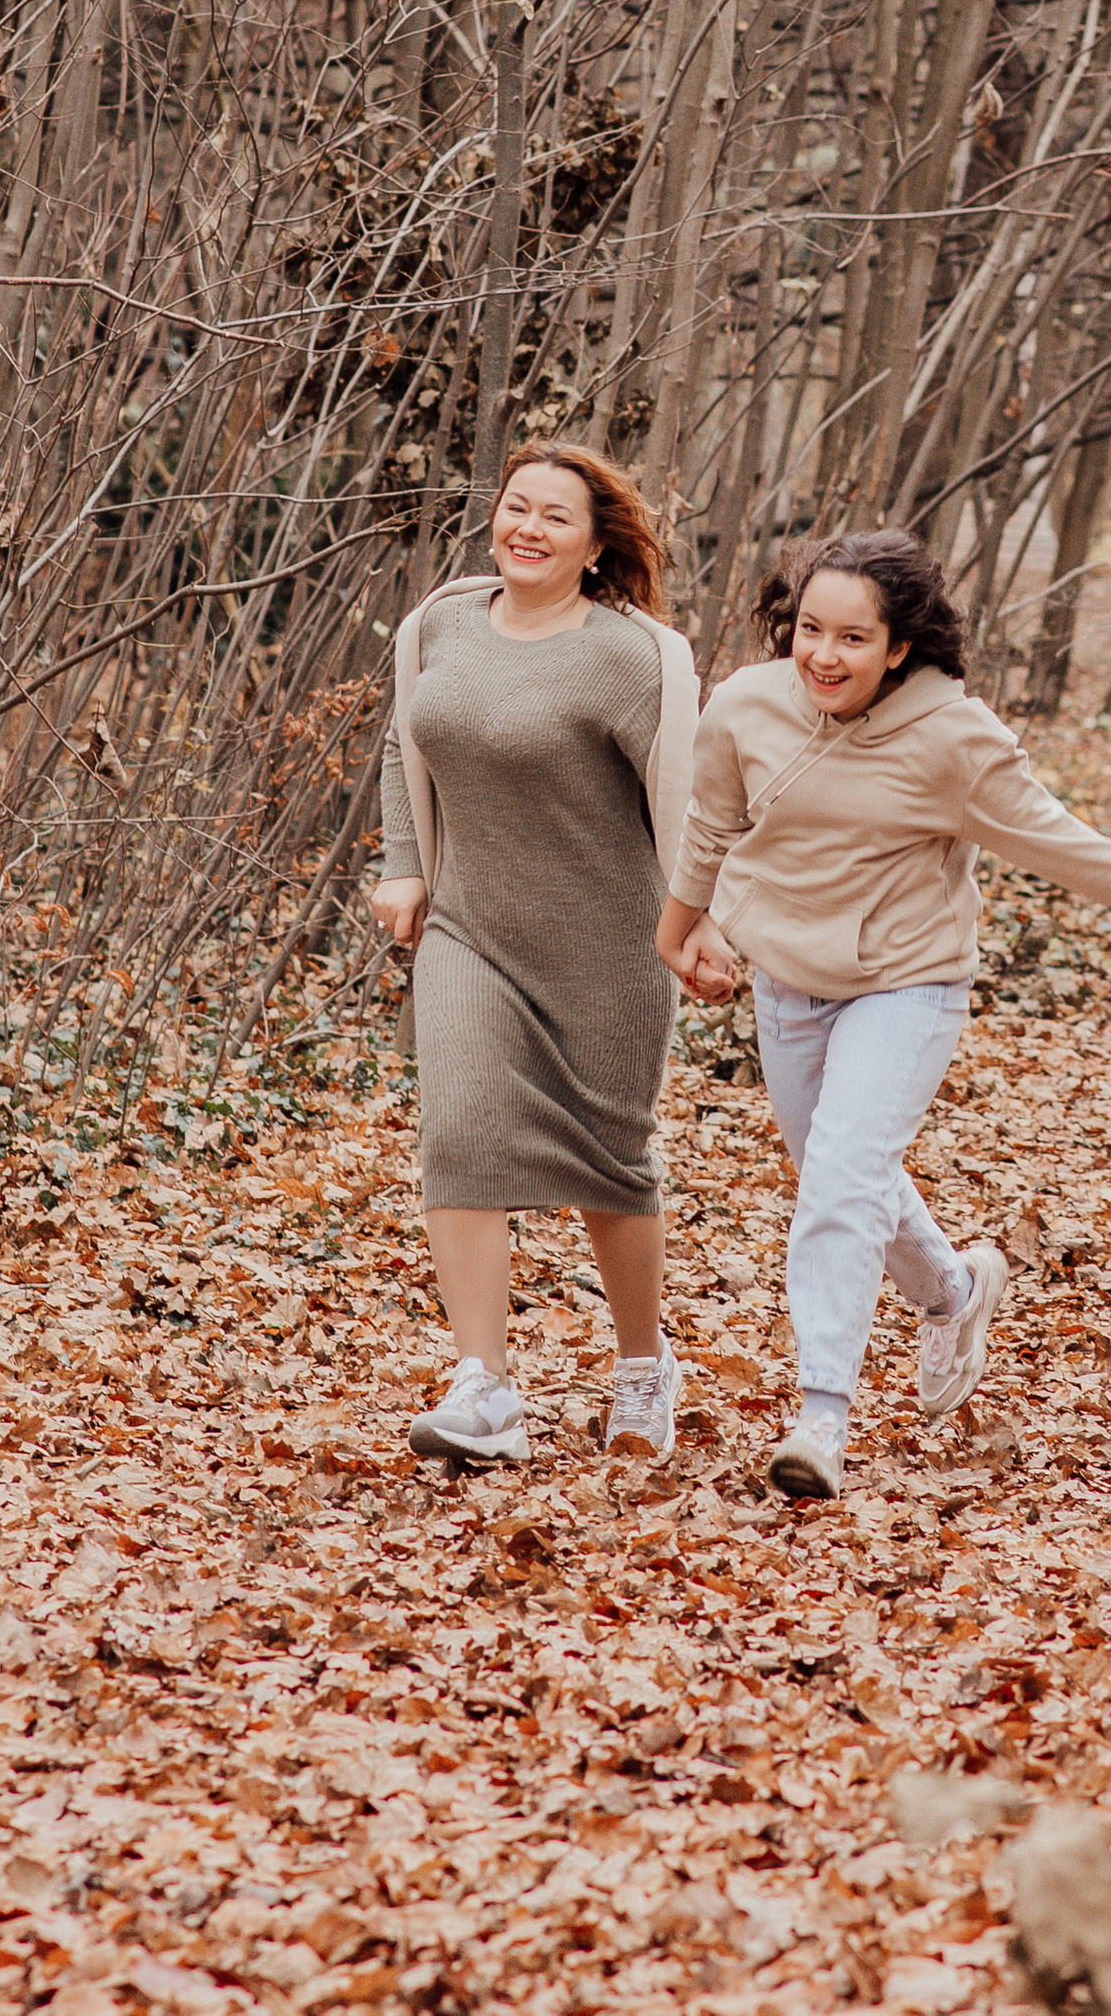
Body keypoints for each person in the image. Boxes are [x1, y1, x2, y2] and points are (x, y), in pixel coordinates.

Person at [655, 527, 1111, 1502]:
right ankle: (954, 1292)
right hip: (789, 976)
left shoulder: (952, 741)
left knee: (841, 1180)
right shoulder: (746, 705)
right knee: (840, 1170)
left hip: (908, 980)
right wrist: (679, 927)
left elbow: (1071, 848)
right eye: (810, 630)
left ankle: (820, 1417)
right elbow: (712, 821)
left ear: (900, 647)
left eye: (853, 638)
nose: (823, 656)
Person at [368, 445, 701, 1471]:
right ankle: (485, 1388)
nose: (528, 528)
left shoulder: (632, 657)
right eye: (517, 507)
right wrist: (403, 865)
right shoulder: (442, 625)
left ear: (596, 545)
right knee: (459, 1135)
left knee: (611, 1166)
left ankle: (642, 1365)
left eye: (556, 516)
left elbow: (692, 800)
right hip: (470, 931)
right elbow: (404, 743)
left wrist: (705, 920)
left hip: (609, 946)